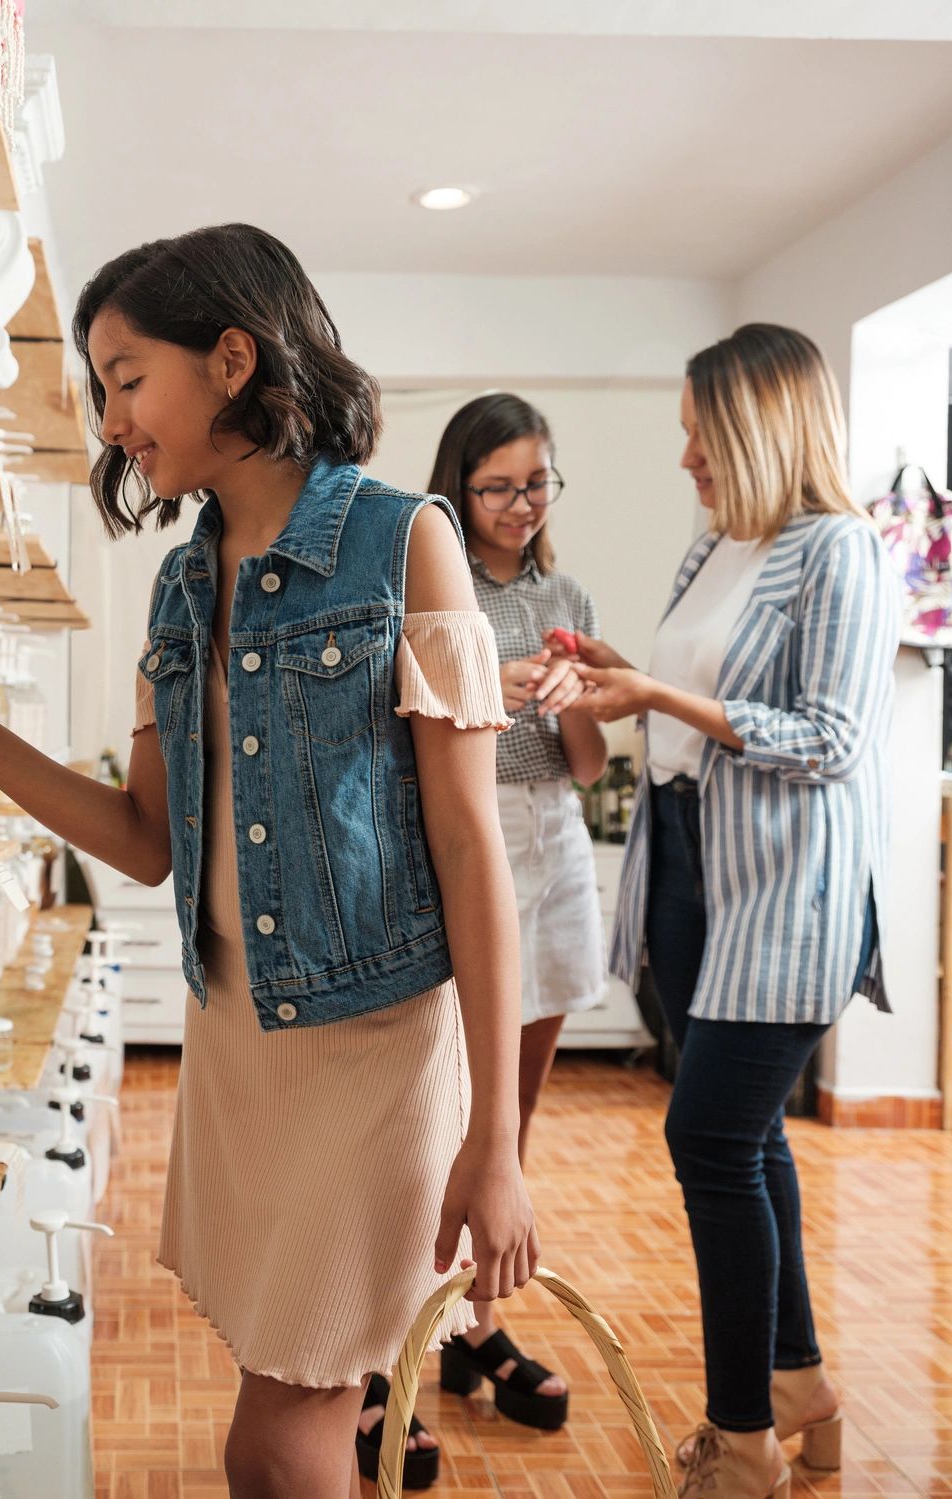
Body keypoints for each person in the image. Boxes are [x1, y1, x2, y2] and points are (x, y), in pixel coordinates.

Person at [0, 223, 538, 1499]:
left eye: (124, 378)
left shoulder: (407, 543)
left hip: (376, 1052)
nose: (111, 420)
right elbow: (146, 840)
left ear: (231, 358)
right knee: (293, 1418)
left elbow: (467, 844)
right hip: (242, 1046)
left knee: (274, 1444)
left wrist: (494, 1138)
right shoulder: (177, 584)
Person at [567, 324, 899, 1498]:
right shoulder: (717, 546)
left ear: (756, 423)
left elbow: (833, 739)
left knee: (705, 1138)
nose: (686, 458)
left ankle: (746, 1437)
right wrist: (622, 669)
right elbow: (688, 703)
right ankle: (800, 1381)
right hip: (690, 878)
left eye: (697, 432)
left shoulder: (838, 553)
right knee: (745, 1137)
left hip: (787, 900)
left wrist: (658, 691)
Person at [397, 393, 606, 1439]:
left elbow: (591, 766)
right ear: (456, 484)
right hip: (466, 840)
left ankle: (475, 1322)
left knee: (508, 1123)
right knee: (443, 1106)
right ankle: (405, 1335)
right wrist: (492, 684)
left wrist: (575, 701)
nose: (521, 504)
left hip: (554, 838)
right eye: (497, 485)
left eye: (537, 482)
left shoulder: (564, 589)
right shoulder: (431, 578)